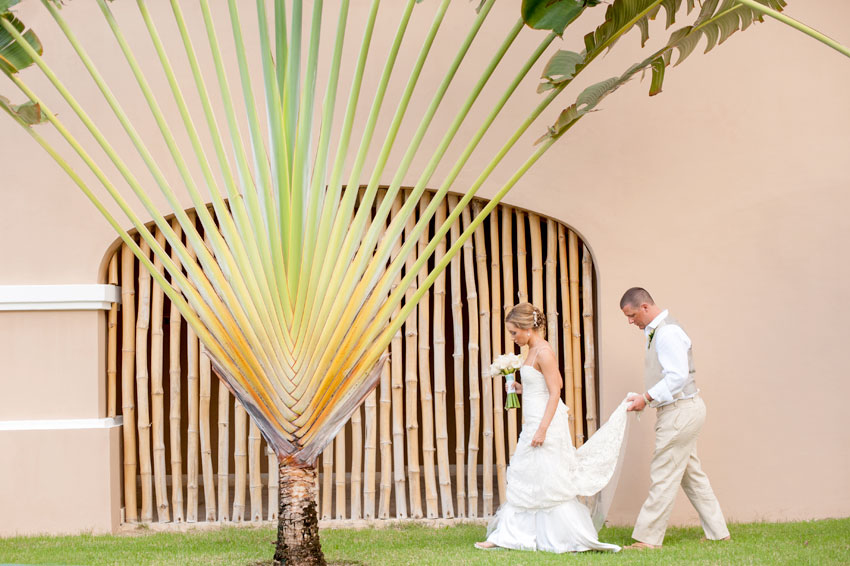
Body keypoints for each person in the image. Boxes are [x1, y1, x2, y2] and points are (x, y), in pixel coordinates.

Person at [475, 303, 629, 553]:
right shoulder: (532, 350)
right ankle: (509, 534)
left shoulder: (544, 352)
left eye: (514, 332)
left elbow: (556, 391)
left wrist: (542, 429)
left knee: (549, 477)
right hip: (533, 418)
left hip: (544, 421)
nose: (513, 338)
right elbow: (545, 385)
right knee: (527, 474)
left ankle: (562, 536)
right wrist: (520, 388)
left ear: (527, 327)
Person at [620, 287, 731, 550]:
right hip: (683, 409)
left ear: (645, 307)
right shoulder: (657, 331)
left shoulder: (667, 332)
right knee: (691, 474)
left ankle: (648, 538)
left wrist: (646, 398)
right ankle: (718, 533)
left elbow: (677, 376)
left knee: (664, 473)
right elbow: (667, 377)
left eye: (632, 314)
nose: (630, 321)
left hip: (680, 412)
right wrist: (646, 397)